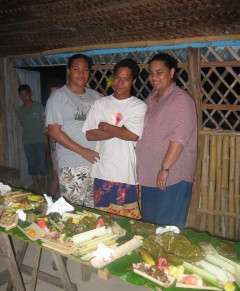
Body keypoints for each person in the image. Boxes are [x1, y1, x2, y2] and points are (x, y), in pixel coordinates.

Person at [136, 53, 198, 227]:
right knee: (151, 226)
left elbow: (179, 138)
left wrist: (164, 168)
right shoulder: (151, 99)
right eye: (151, 72)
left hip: (172, 176)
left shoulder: (180, 100)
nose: (154, 77)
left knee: (168, 228)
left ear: (171, 72)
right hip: (151, 175)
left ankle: (166, 256)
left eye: (159, 72)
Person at [83, 58, 147, 219]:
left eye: (126, 79)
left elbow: (133, 135)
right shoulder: (100, 103)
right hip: (102, 171)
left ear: (133, 81)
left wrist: (105, 126)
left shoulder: (139, 106)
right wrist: (122, 130)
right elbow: (90, 135)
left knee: (127, 222)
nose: (120, 83)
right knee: (103, 220)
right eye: (117, 77)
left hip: (126, 173)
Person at [45, 54, 102, 207]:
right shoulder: (59, 97)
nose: (81, 73)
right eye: (76, 69)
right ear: (68, 71)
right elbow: (54, 131)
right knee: (73, 210)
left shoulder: (96, 96)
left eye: (85, 69)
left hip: (97, 163)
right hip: (72, 163)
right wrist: (82, 150)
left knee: (95, 209)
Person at [17, 84, 49, 194]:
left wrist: (45, 140)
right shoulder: (19, 111)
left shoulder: (39, 107)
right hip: (27, 141)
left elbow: (45, 124)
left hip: (40, 140)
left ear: (30, 94)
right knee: (31, 163)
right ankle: (35, 186)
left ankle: (45, 187)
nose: (24, 97)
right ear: (20, 96)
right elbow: (22, 125)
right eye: (22, 95)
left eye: (26, 94)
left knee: (42, 163)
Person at [46, 78, 65, 198]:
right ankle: (50, 197)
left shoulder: (65, 107)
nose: (54, 96)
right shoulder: (49, 108)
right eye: (52, 93)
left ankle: (56, 196)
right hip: (56, 147)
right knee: (56, 173)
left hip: (68, 147)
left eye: (56, 92)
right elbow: (47, 131)